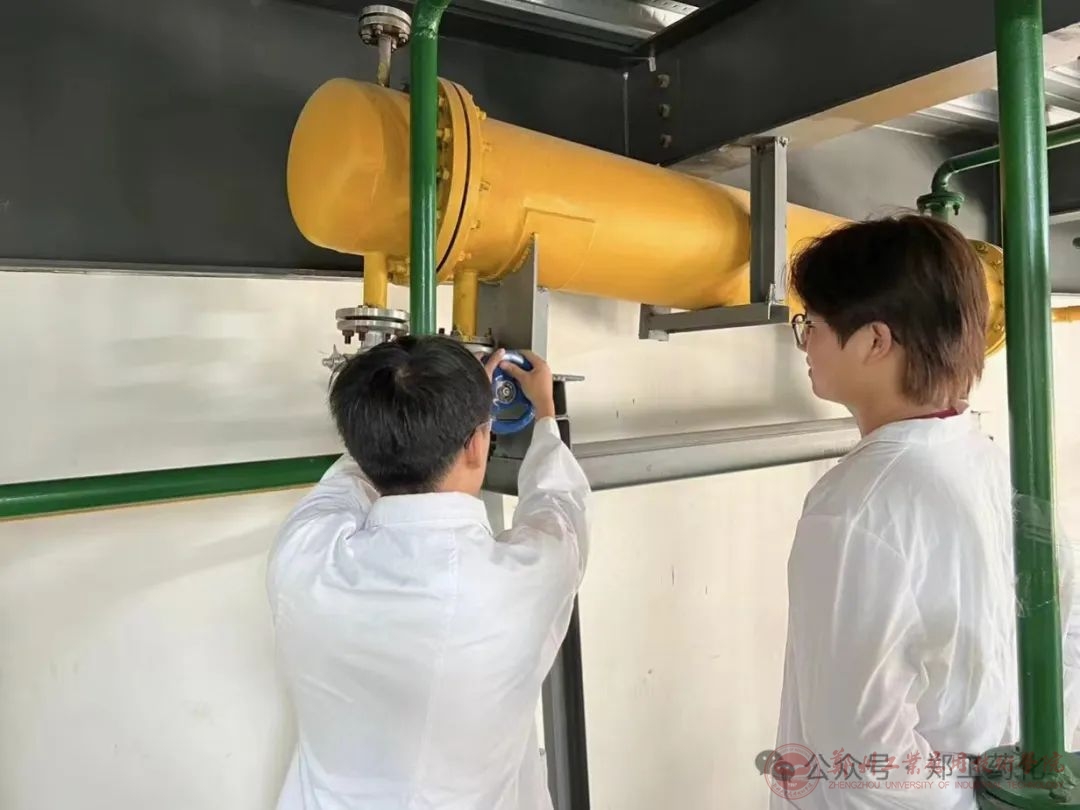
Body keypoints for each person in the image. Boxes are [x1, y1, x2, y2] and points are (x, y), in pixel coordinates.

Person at [771, 214, 1078, 808]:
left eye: (813, 324)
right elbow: (1069, 632)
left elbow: (863, 757)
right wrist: (1011, 781)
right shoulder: (999, 465)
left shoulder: (855, 506)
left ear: (875, 341)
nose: (805, 343)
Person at [266, 336, 590, 810]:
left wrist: (433, 413)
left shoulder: (303, 555)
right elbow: (560, 507)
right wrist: (544, 412)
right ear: (477, 445)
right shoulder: (527, 580)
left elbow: (351, 477)